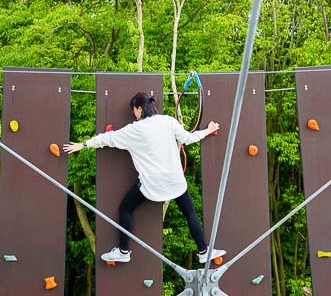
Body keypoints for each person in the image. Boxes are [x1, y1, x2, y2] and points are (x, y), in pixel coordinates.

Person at [63, 92, 226, 264]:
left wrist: (83, 144)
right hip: (175, 183)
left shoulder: (134, 130)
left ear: (139, 108)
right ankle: (203, 251)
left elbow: (107, 138)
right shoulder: (168, 121)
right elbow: (188, 138)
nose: (134, 113)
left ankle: (123, 251)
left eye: (134, 109)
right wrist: (208, 130)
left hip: (151, 187)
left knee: (125, 208)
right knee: (190, 214)